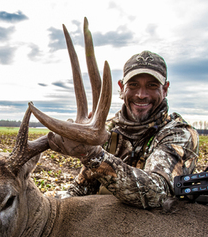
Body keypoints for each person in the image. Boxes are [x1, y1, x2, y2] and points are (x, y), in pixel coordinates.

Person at [48, 50, 199, 209]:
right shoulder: (107, 130)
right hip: (108, 223)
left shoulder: (178, 134)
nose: (141, 94)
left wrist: (94, 156)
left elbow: (158, 194)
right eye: (133, 85)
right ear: (121, 87)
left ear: (165, 89)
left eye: (152, 85)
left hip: (158, 229)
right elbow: (81, 189)